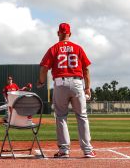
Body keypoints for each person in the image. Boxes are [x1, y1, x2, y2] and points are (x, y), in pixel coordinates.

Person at [37, 23, 95, 159]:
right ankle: (87, 150)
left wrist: (41, 81)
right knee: (82, 116)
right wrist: (87, 87)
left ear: (58, 33)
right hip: (77, 83)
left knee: (61, 116)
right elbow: (86, 69)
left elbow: (44, 68)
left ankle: (64, 150)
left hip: (60, 83)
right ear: (70, 34)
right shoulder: (78, 48)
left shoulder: (54, 48)